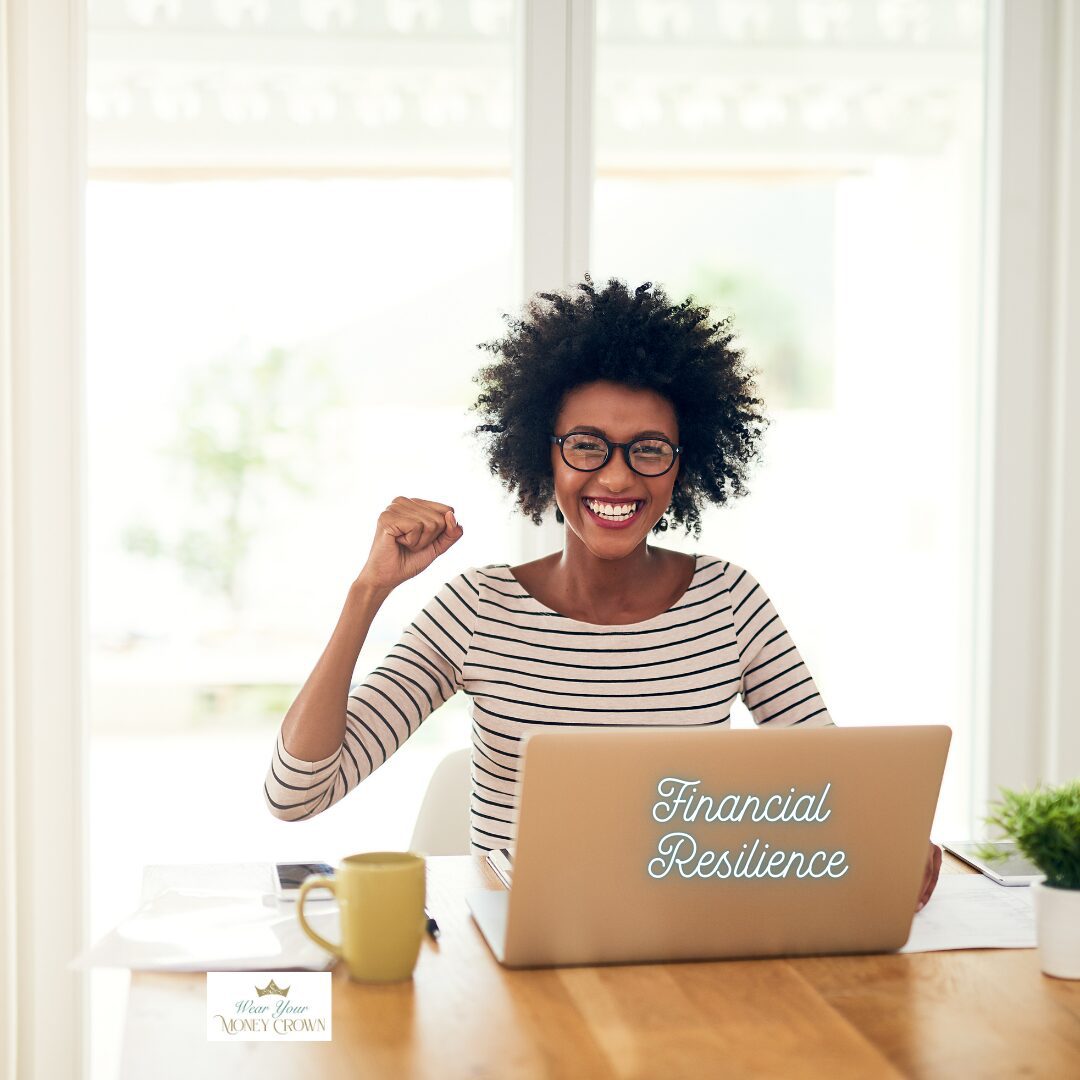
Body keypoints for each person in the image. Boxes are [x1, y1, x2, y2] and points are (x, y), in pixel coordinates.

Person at [264, 276, 942, 912]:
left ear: (684, 465)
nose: (616, 479)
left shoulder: (730, 604)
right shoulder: (476, 611)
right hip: (512, 959)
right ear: (544, 454)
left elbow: (833, 790)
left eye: (648, 450)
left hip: (680, 945)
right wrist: (367, 592)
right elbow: (296, 794)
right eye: (587, 446)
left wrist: (890, 841)